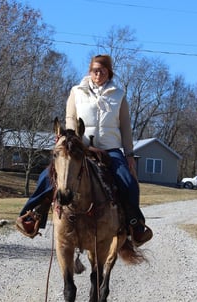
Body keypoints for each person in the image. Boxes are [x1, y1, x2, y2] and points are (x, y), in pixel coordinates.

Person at [15, 54, 153, 246]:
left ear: (109, 72)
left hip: (110, 150)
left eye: (102, 70)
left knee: (128, 181)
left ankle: (134, 224)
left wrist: (129, 154)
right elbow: (70, 119)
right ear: (90, 71)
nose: (98, 73)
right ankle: (32, 215)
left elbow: (125, 127)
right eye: (95, 70)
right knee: (48, 176)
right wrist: (72, 141)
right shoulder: (76, 91)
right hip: (81, 148)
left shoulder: (119, 95)